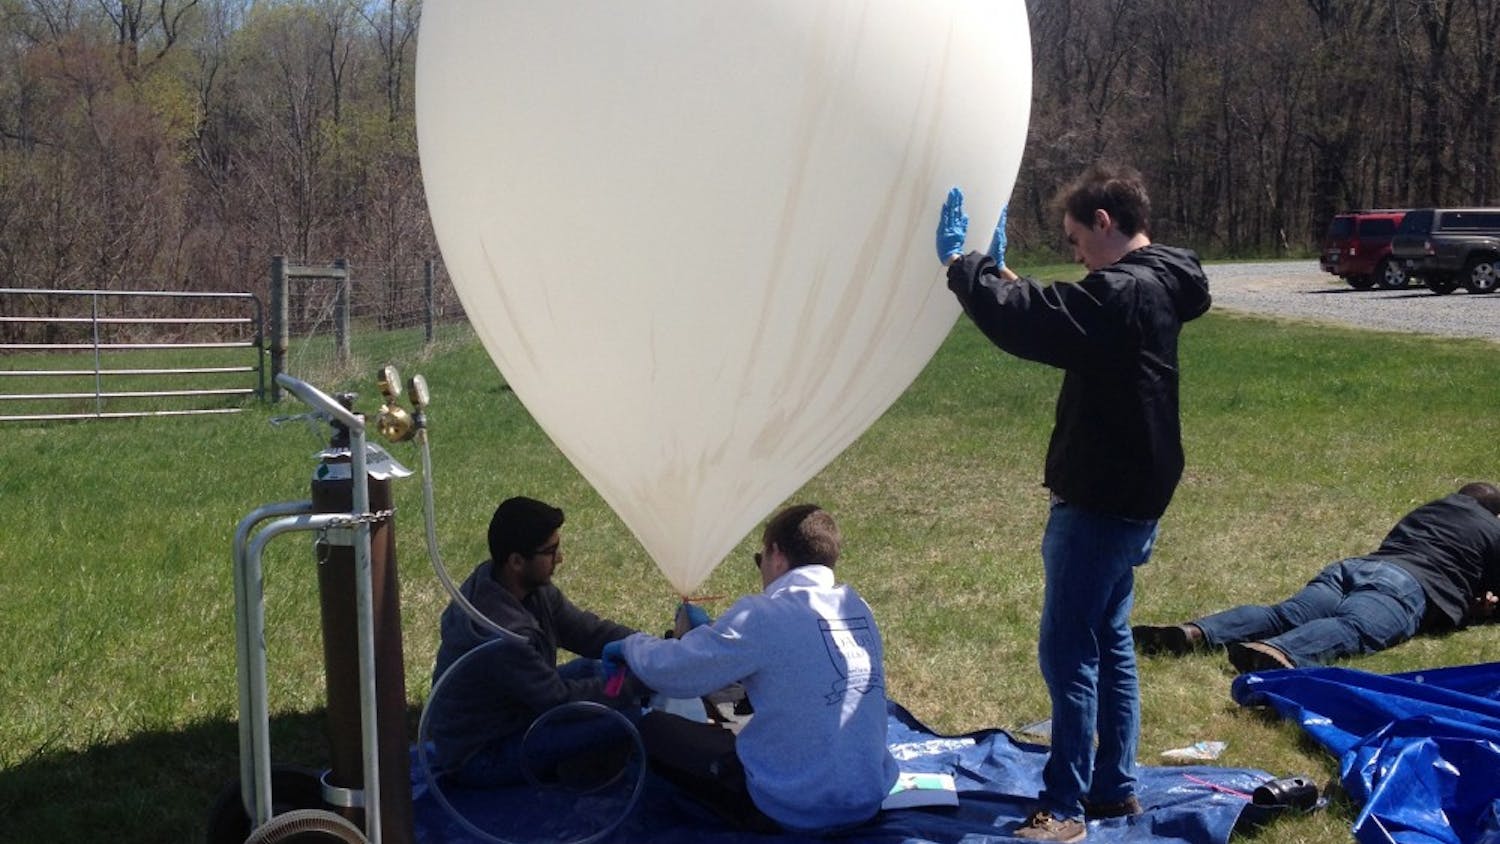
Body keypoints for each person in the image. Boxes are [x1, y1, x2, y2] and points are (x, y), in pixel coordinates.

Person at [935, 163, 1211, 842]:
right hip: (1133, 499)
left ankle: (1064, 808)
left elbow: (1037, 324)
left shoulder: (1123, 293)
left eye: (1075, 238)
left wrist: (962, 265)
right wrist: (999, 279)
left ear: (1105, 224)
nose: (1075, 252)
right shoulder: (1161, 282)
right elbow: (1063, 313)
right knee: (1109, 643)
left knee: (1068, 654)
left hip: (1100, 503)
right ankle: (1114, 790)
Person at [601, 504, 900, 834]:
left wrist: (631, 646)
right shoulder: (859, 608)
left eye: (760, 561)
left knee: (655, 728)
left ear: (775, 553)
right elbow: (789, 660)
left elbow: (676, 672)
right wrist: (714, 632)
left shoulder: (765, 615)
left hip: (791, 808)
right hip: (867, 800)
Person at [1135, 482, 1500, 673]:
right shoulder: (1492, 530)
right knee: (1354, 627)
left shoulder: (1429, 509)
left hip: (1352, 569)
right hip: (1404, 586)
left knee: (1282, 614)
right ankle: (1282, 651)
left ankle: (1197, 632)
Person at [427, 495, 646, 787]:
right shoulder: (501, 634)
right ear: (516, 561)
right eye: (551, 551)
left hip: (514, 711)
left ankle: (579, 762)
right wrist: (638, 684)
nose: (560, 558)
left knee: (597, 671)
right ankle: (579, 772)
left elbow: (587, 632)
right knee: (627, 718)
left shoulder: (519, 586)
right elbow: (558, 700)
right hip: (479, 753)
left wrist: (647, 648)